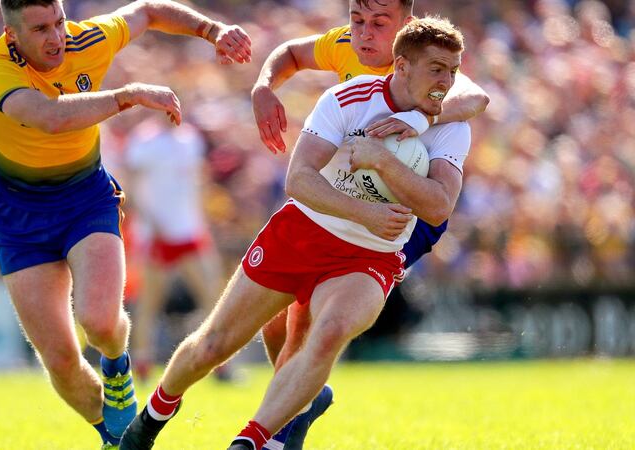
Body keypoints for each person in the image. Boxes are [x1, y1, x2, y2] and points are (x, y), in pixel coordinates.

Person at [120, 15, 472, 450]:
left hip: (369, 254)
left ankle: (252, 441)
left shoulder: (452, 124)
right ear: (401, 66)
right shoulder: (348, 97)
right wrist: (363, 210)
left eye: (454, 72)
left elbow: (438, 206)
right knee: (215, 344)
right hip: (303, 231)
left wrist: (382, 162)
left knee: (327, 333)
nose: (447, 82)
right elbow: (299, 179)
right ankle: (151, 419)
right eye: (438, 70)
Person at [0, 0, 251, 447]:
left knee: (101, 321)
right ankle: (114, 435)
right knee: (60, 357)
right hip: (19, 218)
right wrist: (128, 95)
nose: (56, 37)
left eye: (60, 22)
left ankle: (118, 364)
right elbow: (50, 116)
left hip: (85, 198)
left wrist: (212, 30)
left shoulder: (88, 38)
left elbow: (147, 10)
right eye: (41, 28)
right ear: (12, 36)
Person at [250, 1, 489, 446]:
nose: (363, 32)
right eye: (358, 19)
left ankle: (279, 432)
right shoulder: (345, 44)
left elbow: (476, 98)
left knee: (308, 319)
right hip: (351, 194)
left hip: (407, 208)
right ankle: (303, 396)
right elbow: (291, 55)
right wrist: (264, 86)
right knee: (276, 322)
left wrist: (418, 117)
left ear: (405, 24)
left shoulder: (427, 56)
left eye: (378, 23)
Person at [123, 118, 227, 381]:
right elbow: (131, 188)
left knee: (213, 297)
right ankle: (142, 364)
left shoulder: (190, 138)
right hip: (157, 232)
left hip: (189, 230)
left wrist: (202, 220)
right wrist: (149, 221)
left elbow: (195, 183)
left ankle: (219, 362)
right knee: (150, 301)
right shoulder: (144, 140)